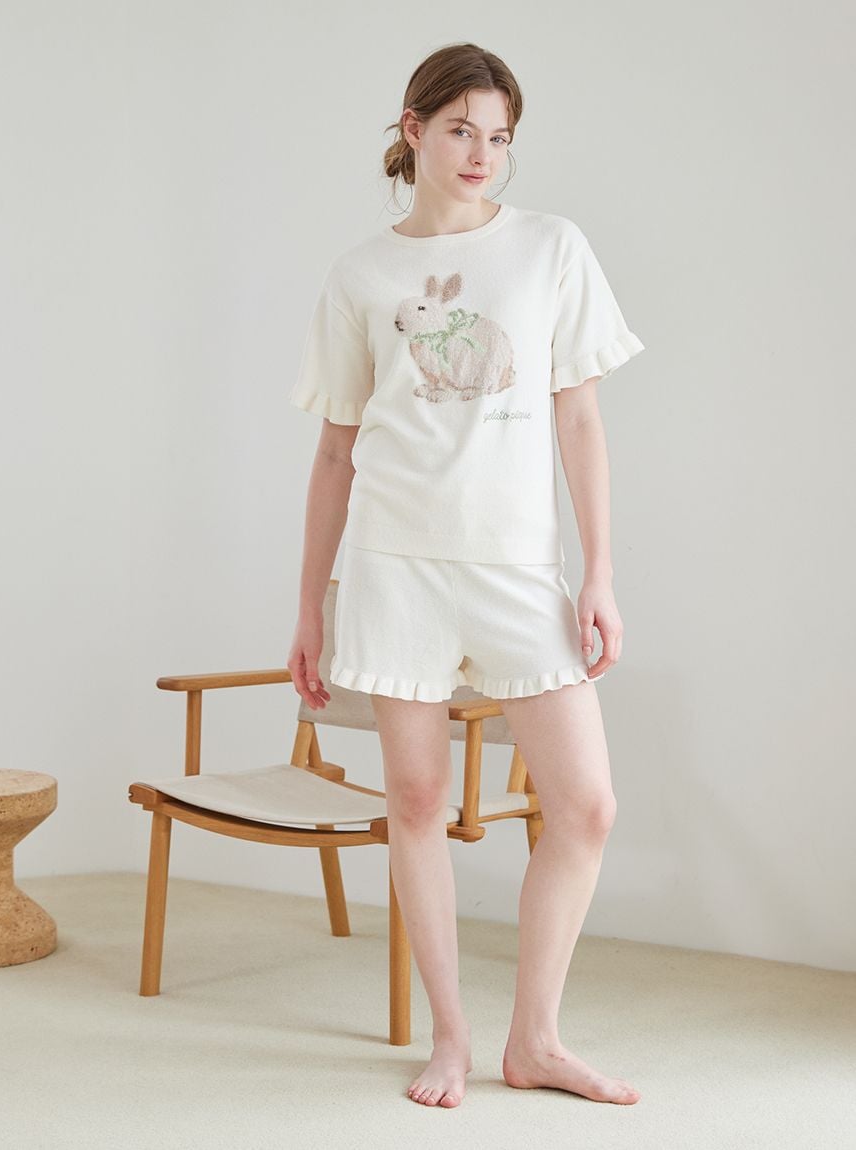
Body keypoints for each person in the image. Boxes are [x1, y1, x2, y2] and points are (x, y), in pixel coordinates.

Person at [287, 42, 645, 1110]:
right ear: (413, 130)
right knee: (416, 800)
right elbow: (335, 452)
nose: (482, 153)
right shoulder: (361, 274)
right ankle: (451, 1038)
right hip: (394, 565)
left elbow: (579, 419)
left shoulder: (550, 248)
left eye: (499, 137)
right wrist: (308, 606)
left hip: (518, 567)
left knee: (584, 806)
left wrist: (599, 572)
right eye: (460, 131)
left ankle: (535, 1039)